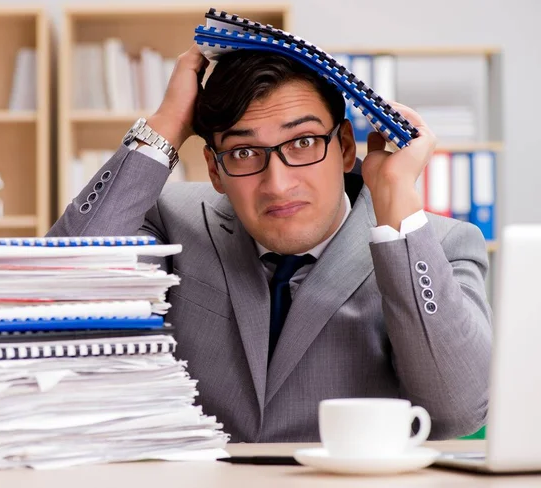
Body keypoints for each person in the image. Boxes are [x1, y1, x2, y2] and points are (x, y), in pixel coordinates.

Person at [48, 44, 492, 443]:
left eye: (301, 142)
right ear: (215, 170)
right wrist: (163, 128)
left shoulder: (437, 245)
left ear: (342, 147)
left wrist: (395, 198)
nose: (277, 185)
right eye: (243, 153)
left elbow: (457, 411)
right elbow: (61, 295)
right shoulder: (171, 220)